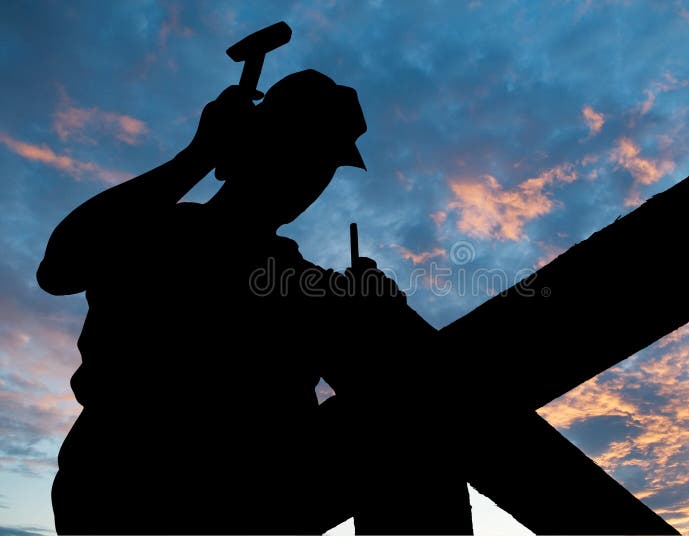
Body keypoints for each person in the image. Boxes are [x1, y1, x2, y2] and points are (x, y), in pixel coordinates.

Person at [38, 70, 472, 534]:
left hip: (247, 508)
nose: (311, 180)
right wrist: (198, 154)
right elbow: (60, 268)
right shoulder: (154, 233)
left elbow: (388, 380)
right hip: (124, 495)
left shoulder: (302, 280)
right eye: (303, 153)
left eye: (324, 164)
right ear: (252, 145)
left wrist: (381, 315)